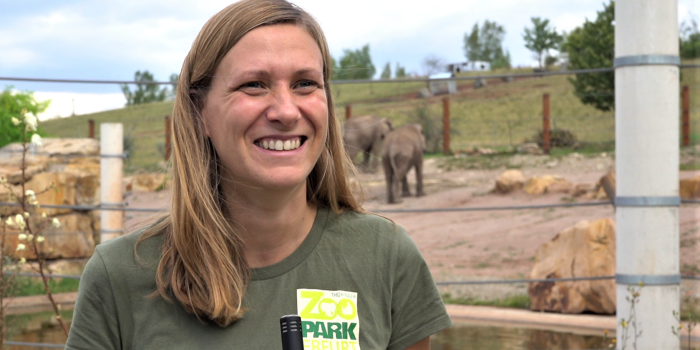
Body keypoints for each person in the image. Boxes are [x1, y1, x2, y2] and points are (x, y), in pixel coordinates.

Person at [66, 0, 451, 349]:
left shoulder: (386, 256)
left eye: (304, 84)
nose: (285, 111)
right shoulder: (118, 277)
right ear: (201, 112)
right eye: (254, 85)